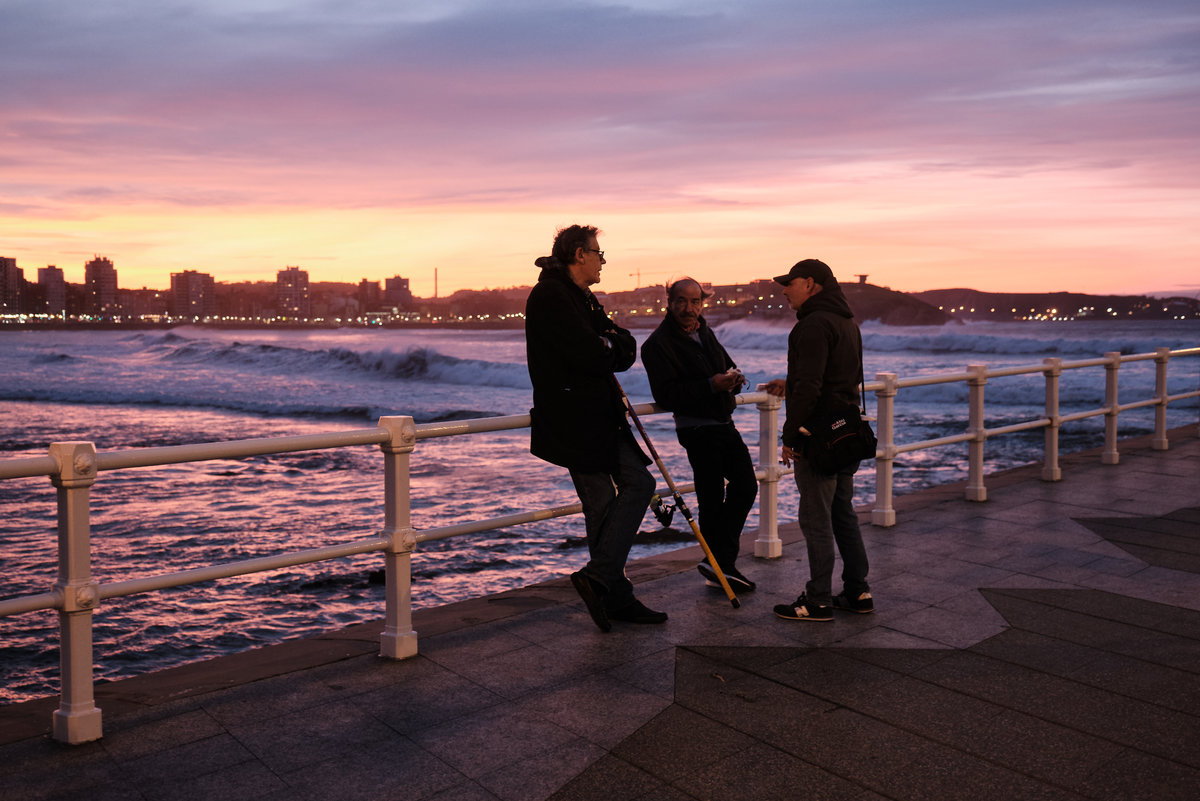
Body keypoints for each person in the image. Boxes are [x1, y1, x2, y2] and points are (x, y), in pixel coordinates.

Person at [525, 224, 668, 632]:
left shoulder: (583, 296)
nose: (603, 259)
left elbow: (624, 346)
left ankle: (600, 579)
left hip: (598, 417)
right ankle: (614, 593)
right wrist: (607, 345)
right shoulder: (551, 295)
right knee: (604, 501)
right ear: (578, 254)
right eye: (598, 252)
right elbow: (590, 351)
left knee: (636, 485)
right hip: (573, 418)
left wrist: (610, 344)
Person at [763, 259, 874, 622]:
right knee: (843, 513)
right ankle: (858, 591)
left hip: (819, 436)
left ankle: (818, 600)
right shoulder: (846, 322)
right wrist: (791, 382)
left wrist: (790, 435)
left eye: (790, 283)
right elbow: (837, 378)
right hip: (846, 431)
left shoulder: (811, 325)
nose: (784, 290)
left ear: (810, 284)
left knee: (816, 519)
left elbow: (811, 387)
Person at [641, 278, 758, 593]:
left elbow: (726, 365)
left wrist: (733, 378)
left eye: (695, 302)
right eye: (681, 301)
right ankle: (721, 565)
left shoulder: (705, 332)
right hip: (695, 427)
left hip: (722, 421)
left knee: (746, 486)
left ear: (703, 303)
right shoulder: (656, 345)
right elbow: (666, 395)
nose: (688, 308)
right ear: (669, 301)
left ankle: (718, 562)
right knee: (711, 496)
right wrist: (711, 385)